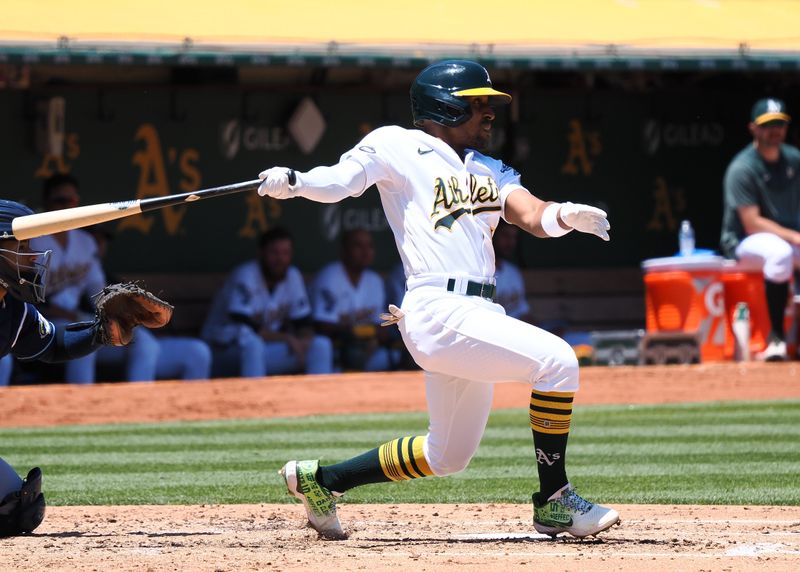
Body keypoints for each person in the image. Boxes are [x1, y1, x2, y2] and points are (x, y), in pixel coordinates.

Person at [257, 60, 618, 539]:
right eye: (476, 103)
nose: (488, 112)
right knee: (558, 362)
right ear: (444, 104)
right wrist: (298, 183)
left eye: (487, 103)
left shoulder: (490, 167)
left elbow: (531, 214)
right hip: (438, 306)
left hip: (478, 311)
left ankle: (322, 481)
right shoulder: (398, 145)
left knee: (447, 455)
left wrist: (565, 214)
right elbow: (341, 182)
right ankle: (554, 502)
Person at [0, 199, 168, 536]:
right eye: (23, 245)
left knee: (17, 510)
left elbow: (53, 346)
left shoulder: (10, 311)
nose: (33, 255)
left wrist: (102, 333)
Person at [720, 98, 800, 362]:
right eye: (768, 125)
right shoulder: (742, 168)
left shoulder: (793, 160)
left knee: (785, 250)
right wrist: (795, 237)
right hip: (745, 242)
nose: (774, 130)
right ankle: (776, 340)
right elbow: (752, 222)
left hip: (790, 239)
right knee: (780, 252)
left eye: (779, 124)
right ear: (754, 128)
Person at [201, 227, 334, 377]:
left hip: (263, 351)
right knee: (253, 345)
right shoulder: (246, 275)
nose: (280, 259)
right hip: (222, 351)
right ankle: (255, 399)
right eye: (274, 253)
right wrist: (287, 338)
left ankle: (318, 398)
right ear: (261, 253)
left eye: (286, 253)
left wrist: (305, 340)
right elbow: (246, 326)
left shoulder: (292, 276)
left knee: (320, 345)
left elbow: (302, 322)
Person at [86, 225, 212, 382]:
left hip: (139, 345)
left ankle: (193, 407)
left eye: (102, 240)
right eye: (94, 240)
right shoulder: (78, 279)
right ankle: (139, 403)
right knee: (144, 343)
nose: (98, 245)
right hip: (98, 343)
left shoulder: (109, 278)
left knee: (197, 352)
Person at [310, 228, 400, 371]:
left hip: (370, 351)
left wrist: (374, 336)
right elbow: (323, 325)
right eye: (358, 246)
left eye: (369, 246)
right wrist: (355, 333)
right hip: (335, 354)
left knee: (396, 356)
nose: (365, 252)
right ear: (344, 251)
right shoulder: (330, 277)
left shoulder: (374, 281)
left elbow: (382, 327)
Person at [493, 220, 533, 322]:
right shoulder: (480, 272)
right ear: (493, 234)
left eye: (514, 237)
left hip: (518, 330)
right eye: (505, 235)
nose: (511, 242)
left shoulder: (513, 272)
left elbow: (523, 313)